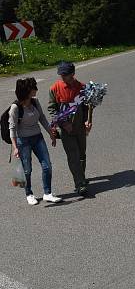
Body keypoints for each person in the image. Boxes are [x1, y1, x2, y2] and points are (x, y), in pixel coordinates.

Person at [11, 78, 60, 204]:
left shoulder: (35, 102)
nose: (36, 90)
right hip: (23, 141)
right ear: (27, 90)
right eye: (34, 87)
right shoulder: (15, 108)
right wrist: (15, 147)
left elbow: (42, 118)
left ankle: (47, 193)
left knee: (47, 165)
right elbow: (12, 129)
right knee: (27, 169)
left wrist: (51, 133)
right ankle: (29, 194)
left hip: (38, 137)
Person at [48, 61, 91, 195]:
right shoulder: (54, 88)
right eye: (61, 74)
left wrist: (88, 121)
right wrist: (63, 124)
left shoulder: (82, 87)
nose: (62, 77)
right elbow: (52, 109)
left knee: (82, 154)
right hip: (65, 128)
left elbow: (88, 107)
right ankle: (79, 184)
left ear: (72, 74)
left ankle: (81, 177)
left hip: (80, 127)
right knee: (73, 155)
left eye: (65, 74)